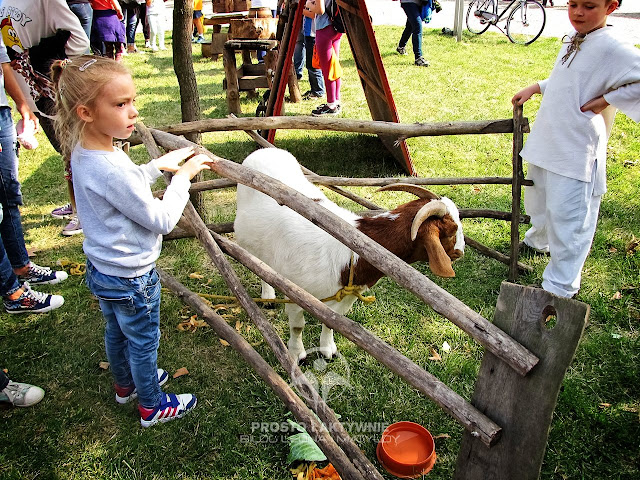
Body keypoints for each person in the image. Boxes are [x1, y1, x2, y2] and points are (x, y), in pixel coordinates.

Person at [51, 55, 210, 426]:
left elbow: (122, 187)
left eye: (132, 100)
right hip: (132, 277)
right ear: (86, 112)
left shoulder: (86, 149)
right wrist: (183, 177)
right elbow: (162, 219)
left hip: (104, 269)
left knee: (117, 331)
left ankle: (126, 386)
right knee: (143, 341)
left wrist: (155, 168)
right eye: (121, 104)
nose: (133, 111)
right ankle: (151, 405)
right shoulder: (109, 165)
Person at [512, 0, 640, 299]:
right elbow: (570, 78)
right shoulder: (575, 37)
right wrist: (538, 86)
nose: (578, 12)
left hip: (575, 147)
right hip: (550, 139)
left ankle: (560, 285)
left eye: (589, 6)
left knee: (570, 215)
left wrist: (606, 99)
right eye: (572, 4)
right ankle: (539, 240)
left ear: (611, 7)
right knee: (539, 198)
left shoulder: (613, 46)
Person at [0, 0, 90, 236]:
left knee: (78, 152)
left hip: (53, 90)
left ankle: (86, 211)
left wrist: (49, 65)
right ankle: (76, 204)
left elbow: (79, 39)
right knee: (66, 152)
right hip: (34, 93)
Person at [305, 0, 343, 116]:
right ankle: (336, 100)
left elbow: (320, 10)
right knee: (334, 65)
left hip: (323, 28)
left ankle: (331, 104)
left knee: (327, 69)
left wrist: (308, 4)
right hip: (335, 26)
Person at [396, 0, 429, 67]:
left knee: (410, 26)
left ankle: (401, 47)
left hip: (417, 3)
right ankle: (418, 58)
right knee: (417, 26)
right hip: (409, 2)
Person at [300, 14, 324, 101]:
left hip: (313, 33)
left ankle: (318, 90)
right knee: (310, 64)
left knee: (313, 64)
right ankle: (314, 89)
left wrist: (302, 10)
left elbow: (315, 13)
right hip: (309, 33)